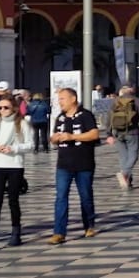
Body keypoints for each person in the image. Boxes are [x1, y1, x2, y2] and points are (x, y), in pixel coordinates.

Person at [49, 87, 99, 244]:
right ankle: (59, 232)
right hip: (63, 164)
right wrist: (55, 138)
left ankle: (89, 225)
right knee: (61, 197)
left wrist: (72, 136)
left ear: (73, 99)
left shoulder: (85, 115)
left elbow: (94, 134)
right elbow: (53, 137)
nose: (60, 102)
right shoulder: (60, 118)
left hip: (83, 163)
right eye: (59, 99)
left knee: (85, 196)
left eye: (63, 98)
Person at [0, 91, 33, 249]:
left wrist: (13, 148)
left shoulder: (22, 124)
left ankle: (15, 233)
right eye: (0, 108)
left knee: (13, 200)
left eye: (6, 107)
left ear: (14, 108)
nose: (2, 110)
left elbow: (30, 145)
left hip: (15, 166)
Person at [105, 84, 139, 190]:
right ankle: (125, 174)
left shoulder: (115, 101)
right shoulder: (136, 100)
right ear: (131, 92)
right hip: (132, 132)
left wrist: (109, 134)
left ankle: (128, 181)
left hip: (117, 132)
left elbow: (109, 117)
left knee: (123, 157)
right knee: (133, 156)